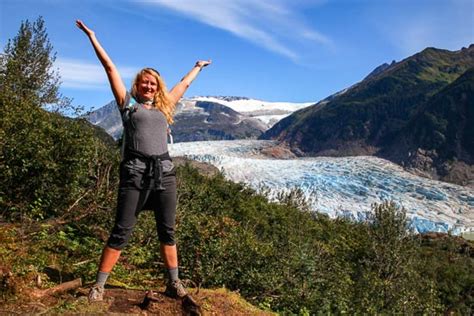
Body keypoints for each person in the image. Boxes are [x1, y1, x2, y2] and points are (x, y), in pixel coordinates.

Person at [76, 20, 211, 302]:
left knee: (168, 230)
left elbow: (183, 85)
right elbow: (110, 68)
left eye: (153, 82)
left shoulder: (166, 106)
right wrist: (92, 37)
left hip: (164, 174)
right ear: (137, 85)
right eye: (144, 81)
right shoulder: (127, 105)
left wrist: (197, 67)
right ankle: (99, 285)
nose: (149, 85)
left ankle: (174, 283)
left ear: (157, 87)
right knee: (121, 230)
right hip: (134, 174)